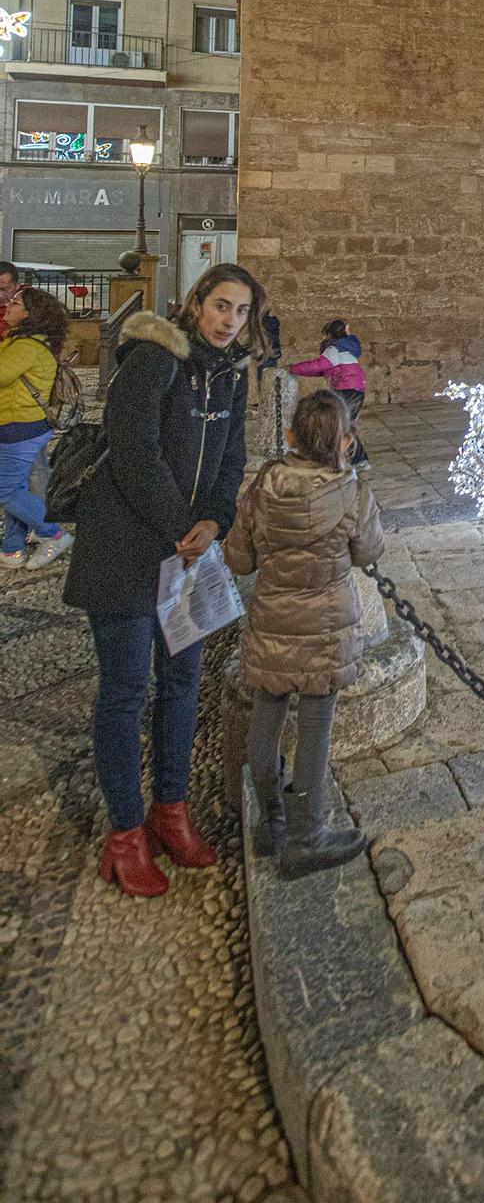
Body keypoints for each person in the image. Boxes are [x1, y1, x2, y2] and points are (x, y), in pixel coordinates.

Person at [63, 264, 267, 897]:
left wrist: (215, 518)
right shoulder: (153, 361)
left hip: (187, 556)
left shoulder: (229, 377)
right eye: (221, 305)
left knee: (181, 688)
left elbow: (230, 455)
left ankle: (170, 811)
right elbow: (132, 453)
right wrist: (185, 523)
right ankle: (125, 834)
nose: (230, 320)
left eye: (241, 311)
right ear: (196, 302)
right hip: (125, 551)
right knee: (125, 693)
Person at [224, 390, 384, 879]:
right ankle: (307, 834)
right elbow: (368, 552)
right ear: (346, 441)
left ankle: (268, 821)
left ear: (290, 437)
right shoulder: (353, 492)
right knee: (316, 722)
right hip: (326, 628)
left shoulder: (264, 486)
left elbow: (239, 558)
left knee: (267, 713)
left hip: (272, 621)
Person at [0, 285, 73, 572]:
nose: (8, 305)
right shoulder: (20, 340)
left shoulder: (28, 345)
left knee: (5, 490)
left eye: (16, 302)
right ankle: (12, 549)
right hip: (18, 425)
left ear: (30, 313)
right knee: (16, 488)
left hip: (22, 427)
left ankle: (53, 534)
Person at [290, 319, 368, 465]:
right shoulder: (346, 347)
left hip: (346, 389)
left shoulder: (335, 349)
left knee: (342, 424)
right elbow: (323, 370)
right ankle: (355, 459)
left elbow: (318, 365)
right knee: (344, 424)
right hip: (354, 389)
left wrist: (292, 368)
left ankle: (357, 459)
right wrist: (298, 371)